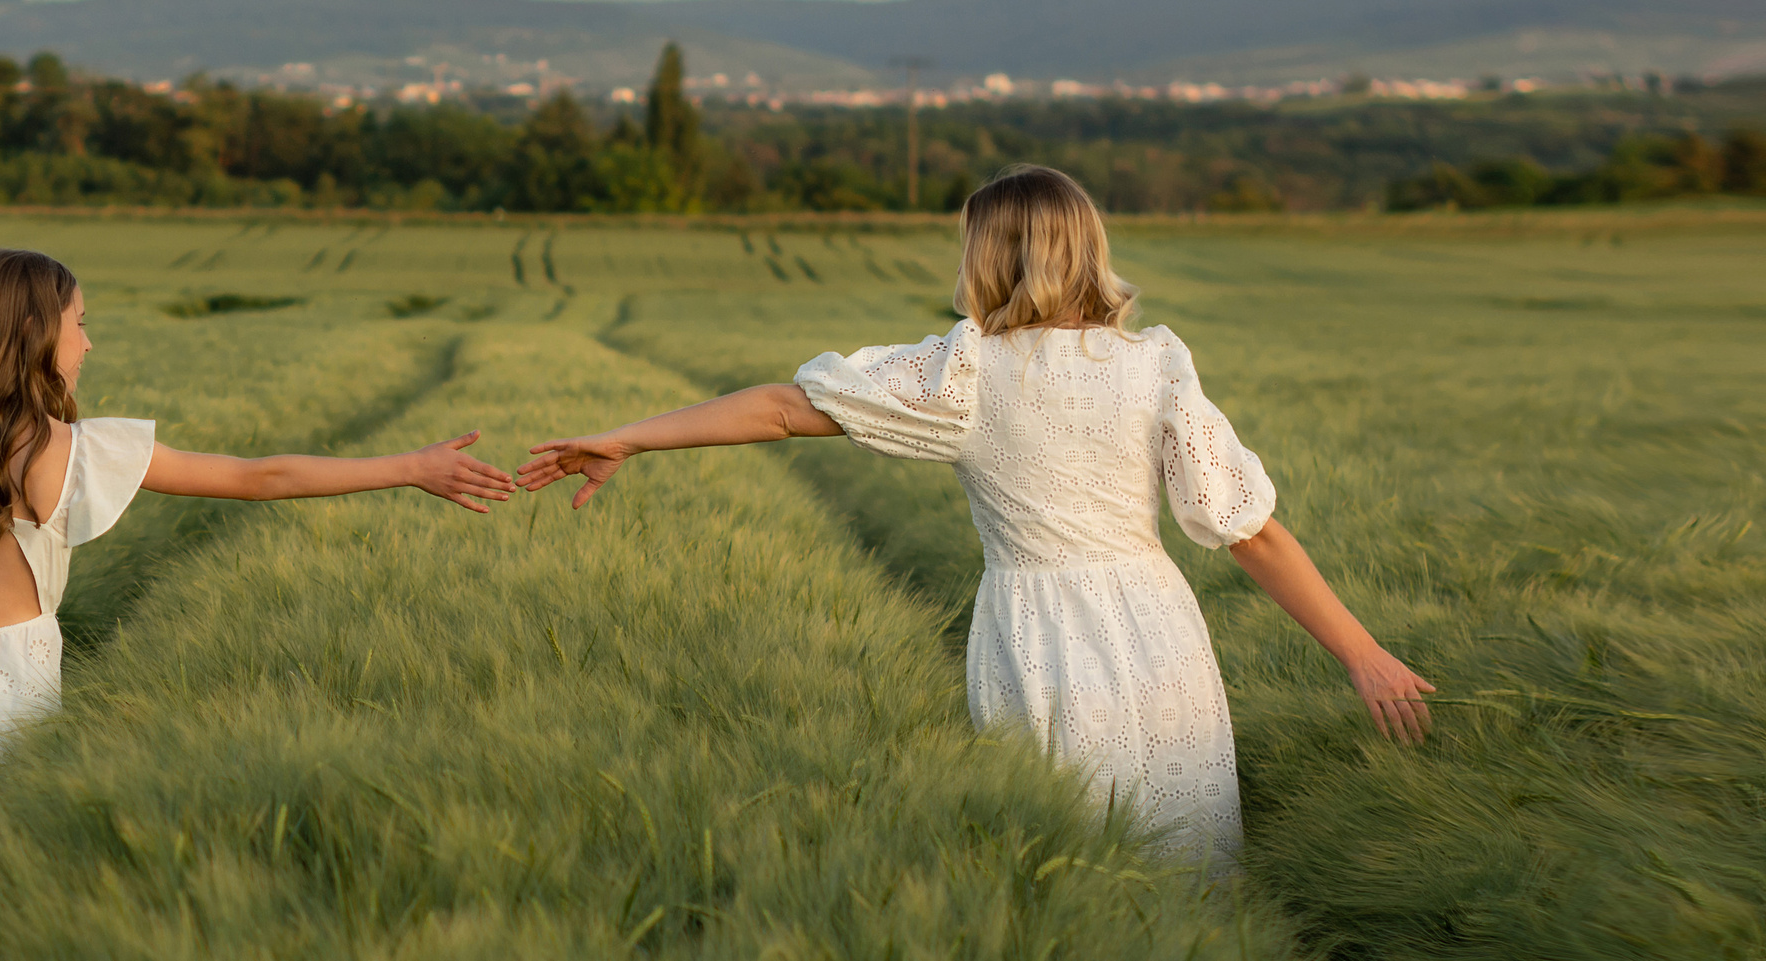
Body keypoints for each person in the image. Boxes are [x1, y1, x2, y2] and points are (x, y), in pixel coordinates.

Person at [517, 165, 1433, 872]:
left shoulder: (962, 370)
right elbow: (1250, 530)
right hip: (1160, 635)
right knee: (1181, 851)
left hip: (1035, 635)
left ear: (987, 257)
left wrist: (628, 437)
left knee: (1063, 860)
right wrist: (1363, 653)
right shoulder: (1156, 363)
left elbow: (780, 407)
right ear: (1090, 249)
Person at [0, 248, 515, 847]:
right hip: (14, 694)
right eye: (80, 325)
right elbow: (260, 476)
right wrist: (409, 466)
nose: (89, 343)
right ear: (34, 336)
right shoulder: (81, 451)